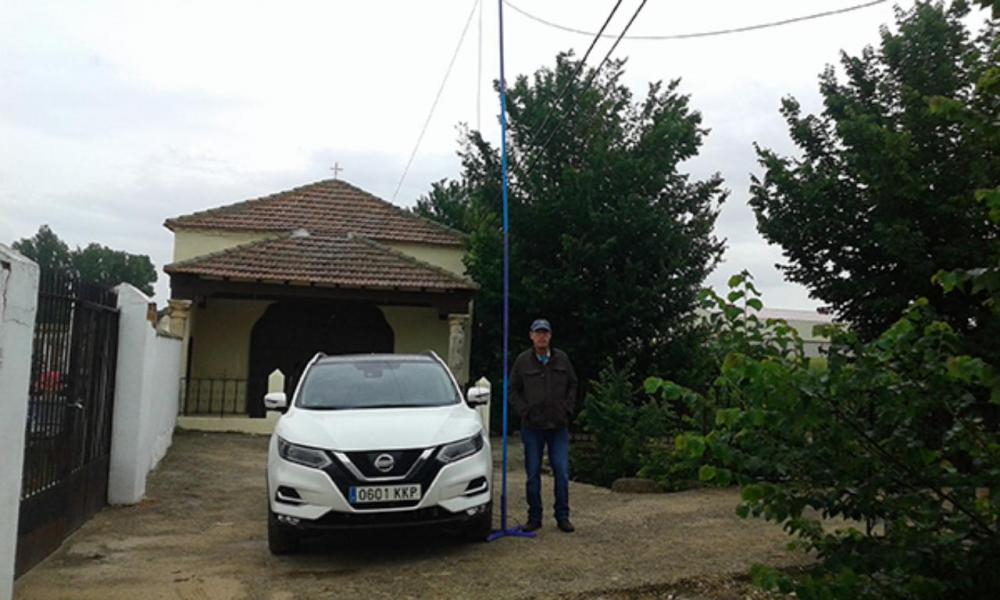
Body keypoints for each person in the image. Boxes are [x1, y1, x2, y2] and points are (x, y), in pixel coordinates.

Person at [510, 318, 578, 533]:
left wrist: (567, 409)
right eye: (538, 333)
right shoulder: (522, 361)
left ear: (550, 336)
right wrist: (524, 411)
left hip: (558, 425)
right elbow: (513, 390)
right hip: (532, 427)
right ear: (531, 336)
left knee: (561, 471)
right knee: (532, 474)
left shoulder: (561, 359)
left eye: (545, 333)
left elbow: (573, 384)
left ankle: (562, 516)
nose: (542, 337)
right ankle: (534, 517)